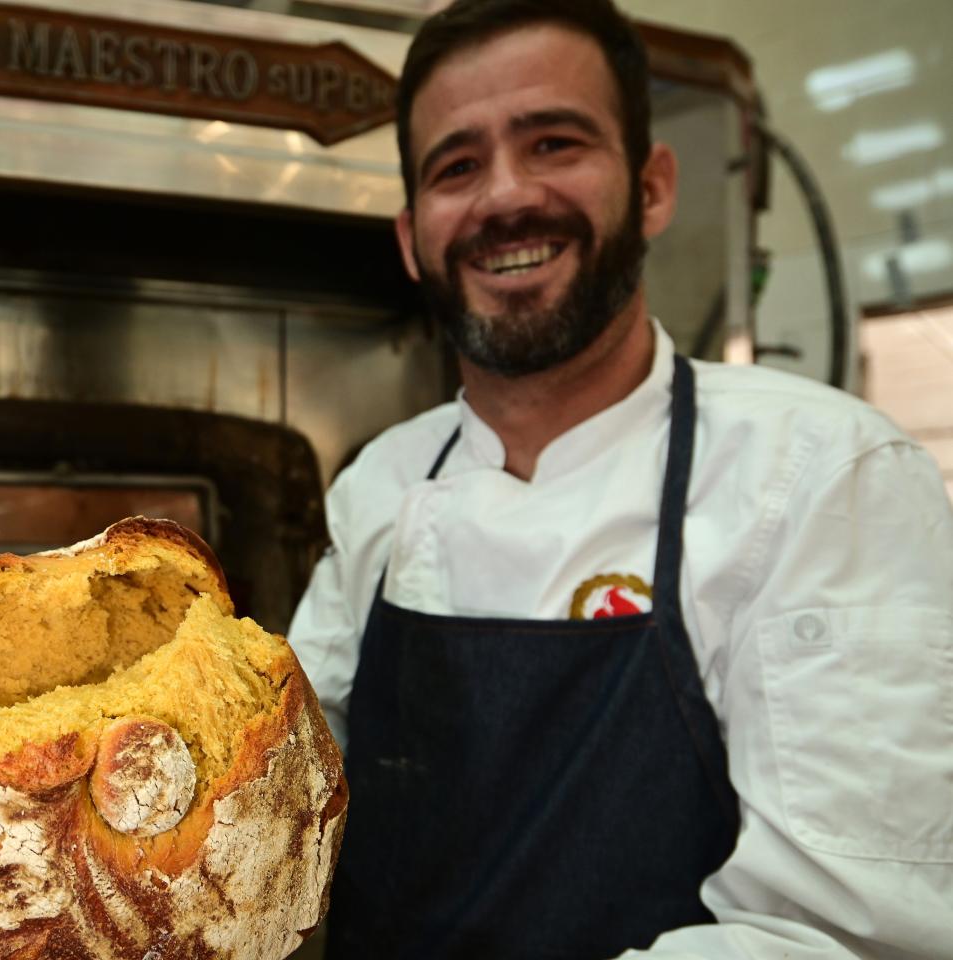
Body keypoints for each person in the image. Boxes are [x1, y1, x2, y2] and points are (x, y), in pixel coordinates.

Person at [286, 1, 953, 957]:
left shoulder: (821, 477)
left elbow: (841, 938)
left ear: (651, 188)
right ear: (411, 235)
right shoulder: (383, 484)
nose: (504, 197)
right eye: (457, 166)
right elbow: (282, 794)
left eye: (554, 142)